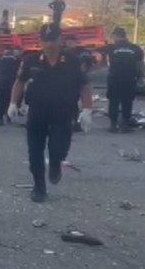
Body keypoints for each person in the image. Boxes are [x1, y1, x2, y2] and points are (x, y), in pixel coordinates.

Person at [8, 23, 93, 203]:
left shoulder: (72, 61)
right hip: (37, 112)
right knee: (35, 151)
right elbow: (20, 82)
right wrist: (13, 103)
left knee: (59, 148)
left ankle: (55, 163)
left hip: (63, 113)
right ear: (40, 41)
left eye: (53, 40)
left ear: (60, 40)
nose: (49, 44)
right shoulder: (31, 60)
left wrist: (87, 108)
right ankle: (39, 187)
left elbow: (84, 85)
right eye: (45, 40)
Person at [106, 28, 144, 133]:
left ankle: (113, 125)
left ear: (115, 36)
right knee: (127, 101)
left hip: (114, 78)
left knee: (114, 101)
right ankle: (125, 125)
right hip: (130, 78)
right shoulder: (135, 48)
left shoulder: (111, 48)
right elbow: (140, 64)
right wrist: (141, 77)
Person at [64, 36, 96, 130]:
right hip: (67, 79)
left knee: (75, 101)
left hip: (79, 79)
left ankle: (76, 122)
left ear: (75, 42)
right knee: (70, 101)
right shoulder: (64, 52)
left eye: (71, 42)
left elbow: (87, 64)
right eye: (68, 42)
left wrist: (83, 75)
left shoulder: (82, 52)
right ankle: (71, 121)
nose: (69, 44)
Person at [0, 46, 21, 125]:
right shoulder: (16, 60)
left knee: (0, 101)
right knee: (8, 101)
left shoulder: (1, 59)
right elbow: (21, 70)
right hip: (10, 85)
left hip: (1, 85)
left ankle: (1, 118)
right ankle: (7, 116)